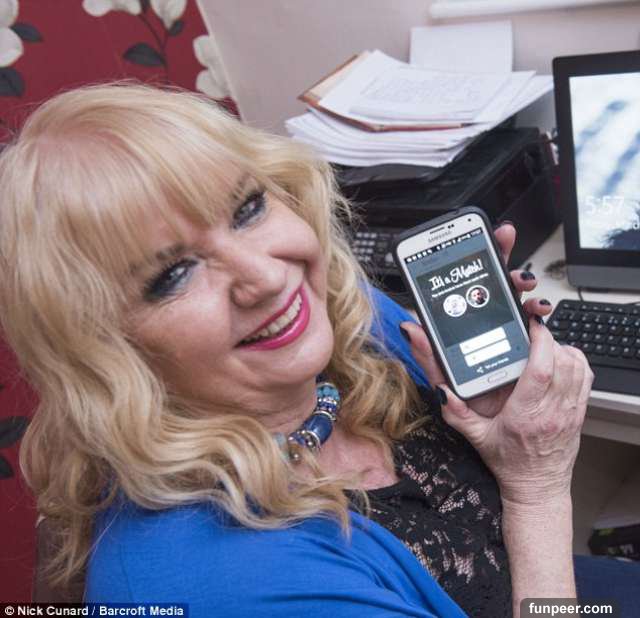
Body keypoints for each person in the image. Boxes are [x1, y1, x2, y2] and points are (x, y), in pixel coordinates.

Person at [0, 82, 620, 617]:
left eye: (247, 208)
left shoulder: (340, 318)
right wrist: (537, 489)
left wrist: (493, 403)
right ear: (102, 346)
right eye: (173, 275)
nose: (270, 277)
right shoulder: (220, 584)